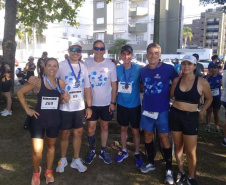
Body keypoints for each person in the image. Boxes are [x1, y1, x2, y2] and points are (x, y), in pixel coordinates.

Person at [17, 58, 67, 185]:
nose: (52, 68)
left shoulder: (61, 83)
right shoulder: (39, 82)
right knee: (37, 150)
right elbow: (20, 93)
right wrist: (28, 109)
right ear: (44, 68)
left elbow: (59, 101)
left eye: (55, 66)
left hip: (54, 120)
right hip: (39, 120)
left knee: (51, 146)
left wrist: (65, 99)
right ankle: (36, 172)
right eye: (49, 65)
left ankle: (48, 171)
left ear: (57, 68)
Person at [169, 55, 212, 185]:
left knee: (191, 151)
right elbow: (171, 95)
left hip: (191, 118)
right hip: (175, 115)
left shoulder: (202, 82)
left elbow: (209, 98)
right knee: (177, 146)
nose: (186, 66)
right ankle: (181, 172)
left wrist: (202, 111)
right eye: (184, 64)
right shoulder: (176, 80)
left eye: (189, 64)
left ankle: (191, 177)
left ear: (194, 66)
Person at [139, 43, 178, 184]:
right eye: (150, 53)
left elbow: (177, 79)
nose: (153, 55)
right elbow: (142, 85)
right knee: (148, 136)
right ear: (146, 54)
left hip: (162, 111)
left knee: (164, 139)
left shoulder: (168, 68)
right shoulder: (143, 71)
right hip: (147, 111)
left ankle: (169, 170)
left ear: (160, 55)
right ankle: (150, 162)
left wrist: (173, 92)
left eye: (156, 53)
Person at [54, 42, 92, 173]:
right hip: (65, 107)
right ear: (69, 51)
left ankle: (76, 159)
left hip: (79, 107)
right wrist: (60, 95)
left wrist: (89, 106)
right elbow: (52, 82)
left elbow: (87, 87)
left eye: (78, 50)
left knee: (78, 133)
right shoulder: (61, 65)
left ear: (81, 53)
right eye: (73, 50)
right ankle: (63, 159)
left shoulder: (84, 67)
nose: (76, 52)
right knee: (64, 133)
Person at [84, 40, 117, 165]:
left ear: (104, 50)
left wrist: (113, 102)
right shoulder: (86, 63)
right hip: (91, 104)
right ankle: (92, 150)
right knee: (91, 127)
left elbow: (114, 85)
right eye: (96, 48)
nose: (98, 51)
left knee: (104, 127)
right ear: (93, 49)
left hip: (106, 103)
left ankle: (103, 151)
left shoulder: (110, 65)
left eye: (101, 48)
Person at [115, 45, 143, 168]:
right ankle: (124, 150)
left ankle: (137, 152)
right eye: (124, 54)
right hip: (121, 104)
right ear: (121, 55)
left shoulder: (139, 69)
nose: (126, 57)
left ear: (132, 55)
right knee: (123, 129)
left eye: (128, 54)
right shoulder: (117, 69)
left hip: (135, 105)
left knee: (135, 131)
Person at [204, 64, 222, 132]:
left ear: (217, 69)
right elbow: (203, 85)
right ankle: (208, 126)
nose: (213, 69)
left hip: (217, 97)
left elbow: (223, 85)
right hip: (208, 97)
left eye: (215, 68)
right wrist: (207, 78)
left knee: (216, 112)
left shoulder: (220, 77)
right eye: (211, 68)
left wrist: (222, 84)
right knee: (208, 111)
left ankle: (217, 127)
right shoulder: (207, 77)